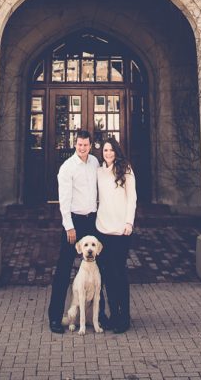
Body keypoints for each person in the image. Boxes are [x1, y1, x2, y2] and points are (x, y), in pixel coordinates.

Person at [47, 129, 99, 333]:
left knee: (97, 268)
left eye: (85, 145)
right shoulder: (67, 168)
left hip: (92, 221)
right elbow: (64, 200)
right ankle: (55, 317)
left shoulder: (95, 162)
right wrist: (69, 226)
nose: (82, 148)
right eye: (79, 145)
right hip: (74, 223)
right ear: (75, 144)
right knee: (64, 268)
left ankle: (98, 315)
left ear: (90, 145)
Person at [96, 136, 136, 334]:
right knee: (108, 276)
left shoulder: (126, 170)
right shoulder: (99, 172)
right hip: (102, 229)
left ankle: (124, 317)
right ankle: (113, 315)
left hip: (121, 230)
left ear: (116, 151)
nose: (108, 153)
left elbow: (132, 199)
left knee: (119, 274)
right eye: (105, 150)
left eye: (111, 150)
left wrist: (129, 222)